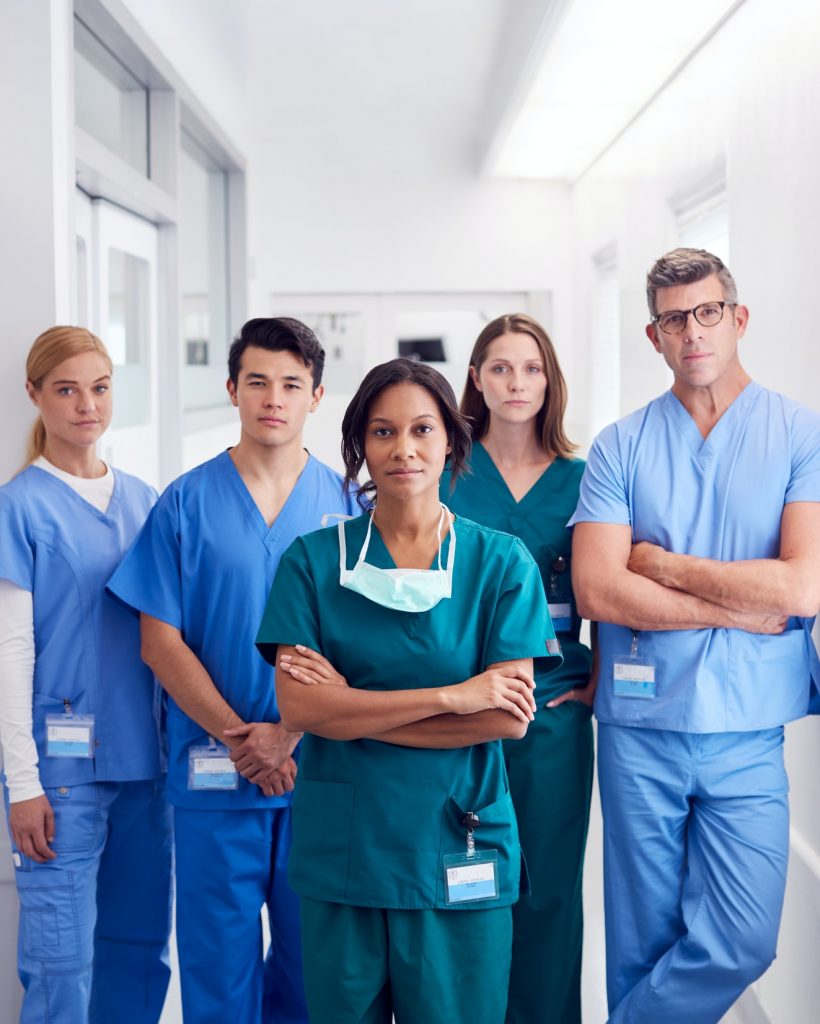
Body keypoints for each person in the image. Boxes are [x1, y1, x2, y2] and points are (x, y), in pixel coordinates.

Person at [255, 357, 563, 1024]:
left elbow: (507, 720)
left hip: (458, 845)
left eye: (423, 429)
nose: (404, 449)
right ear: (360, 445)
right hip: (349, 856)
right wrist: (452, 697)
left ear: (452, 437)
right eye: (383, 431)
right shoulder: (312, 562)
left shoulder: (501, 562)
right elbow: (301, 707)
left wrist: (351, 709)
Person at [569, 248, 820, 1024]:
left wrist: (667, 566)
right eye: (675, 319)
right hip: (639, 730)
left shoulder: (797, 433)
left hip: (748, 731)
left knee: (744, 939)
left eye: (708, 312)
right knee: (641, 941)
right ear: (654, 337)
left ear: (737, 319)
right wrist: (738, 605)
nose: (693, 332)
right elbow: (600, 587)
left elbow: (801, 586)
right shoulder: (621, 445)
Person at [107, 318, 358, 1024]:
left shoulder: (348, 508)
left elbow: (367, 648)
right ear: (231, 391)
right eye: (257, 383)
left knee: (319, 972)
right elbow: (159, 641)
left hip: (320, 773)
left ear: (315, 395)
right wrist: (240, 737)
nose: (273, 398)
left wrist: (290, 735)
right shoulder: (185, 502)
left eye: (290, 384)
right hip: (214, 774)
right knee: (218, 973)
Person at [0, 326, 172, 1024]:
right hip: (60, 777)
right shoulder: (20, 505)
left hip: (147, 764)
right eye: (66, 389)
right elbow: (11, 652)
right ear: (35, 395)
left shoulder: (145, 500)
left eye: (99, 388)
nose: (85, 405)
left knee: (137, 949)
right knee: (62, 963)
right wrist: (23, 781)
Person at [442, 313, 595, 1024]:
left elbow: (608, 586)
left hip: (556, 714)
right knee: (465, 886)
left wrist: (601, 672)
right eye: (500, 367)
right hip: (459, 716)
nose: (516, 383)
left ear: (549, 379)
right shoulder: (442, 473)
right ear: (475, 378)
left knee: (550, 893)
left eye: (531, 368)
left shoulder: (582, 480)